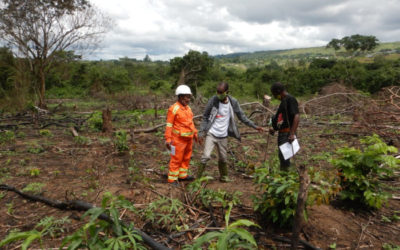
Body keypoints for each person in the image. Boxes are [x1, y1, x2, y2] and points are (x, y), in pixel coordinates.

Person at [198, 82, 263, 182]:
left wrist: (255, 126)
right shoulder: (213, 100)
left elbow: (242, 117)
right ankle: (198, 179)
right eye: (217, 92)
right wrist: (201, 132)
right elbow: (205, 116)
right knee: (205, 156)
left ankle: (224, 177)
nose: (218, 94)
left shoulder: (233, 102)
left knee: (223, 158)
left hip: (223, 136)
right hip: (211, 133)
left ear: (227, 92)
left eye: (221, 92)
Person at [165, 85, 198, 185]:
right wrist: (168, 139)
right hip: (178, 140)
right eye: (186, 97)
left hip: (188, 139)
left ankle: (182, 175)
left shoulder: (188, 109)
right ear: (180, 97)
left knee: (186, 158)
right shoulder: (173, 109)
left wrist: (196, 134)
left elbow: (191, 123)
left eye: (189, 97)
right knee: (176, 159)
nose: (188, 99)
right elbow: (169, 125)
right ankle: (172, 179)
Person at [269, 82, 300, 171]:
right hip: (283, 133)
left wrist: (292, 134)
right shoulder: (284, 101)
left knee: (284, 157)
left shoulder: (290, 99)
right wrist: (275, 129)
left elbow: (296, 116)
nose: (274, 97)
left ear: (279, 92)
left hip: (287, 134)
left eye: (274, 94)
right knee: (282, 156)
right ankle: (285, 177)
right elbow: (282, 118)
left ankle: (285, 178)